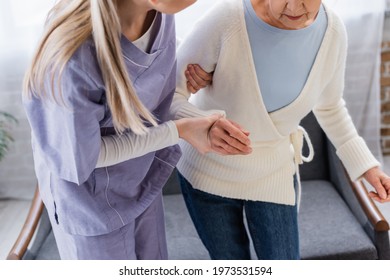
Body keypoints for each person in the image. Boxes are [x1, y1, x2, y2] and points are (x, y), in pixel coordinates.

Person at [22, 0, 251, 260]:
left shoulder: (161, 16)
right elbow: (84, 157)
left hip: (138, 182)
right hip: (90, 206)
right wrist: (181, 131)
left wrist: (201, 120)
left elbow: (155, 103)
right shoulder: (72, 55)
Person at [170, 0, 390, 260]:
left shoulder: (332, 33)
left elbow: (330, 107)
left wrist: (366, 166)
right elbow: (171, 95)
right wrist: (203, 126)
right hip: (206, 172)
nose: (295, 8)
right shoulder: (227, 19)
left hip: (273, 174)